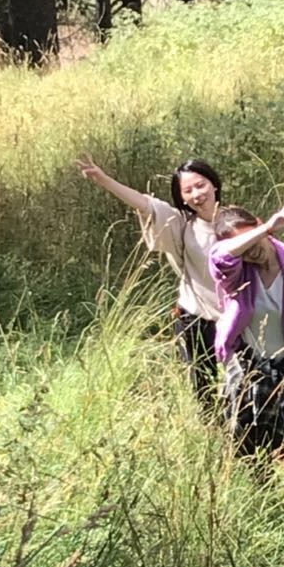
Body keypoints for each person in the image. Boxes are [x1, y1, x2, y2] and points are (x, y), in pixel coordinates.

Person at [209, 197, 284, 496]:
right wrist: (264, 228)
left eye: (252, 239)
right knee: (250, 451)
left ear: (257, 227)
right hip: (249, 369)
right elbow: (220, 258)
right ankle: (265, 503)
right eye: (242, 247)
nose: (250, 251)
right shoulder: (237, 273)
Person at [78, 154, 222, 402]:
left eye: (201, 185)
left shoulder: (237, 221)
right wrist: (104, 180)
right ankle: (213, 434)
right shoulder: (181, 224)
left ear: (214, 184)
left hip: (239, 318)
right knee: (203, 390)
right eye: (188, 190)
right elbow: (145, 205)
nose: (197, 194)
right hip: (195, 318)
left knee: (242, 386)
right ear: (182, 198)